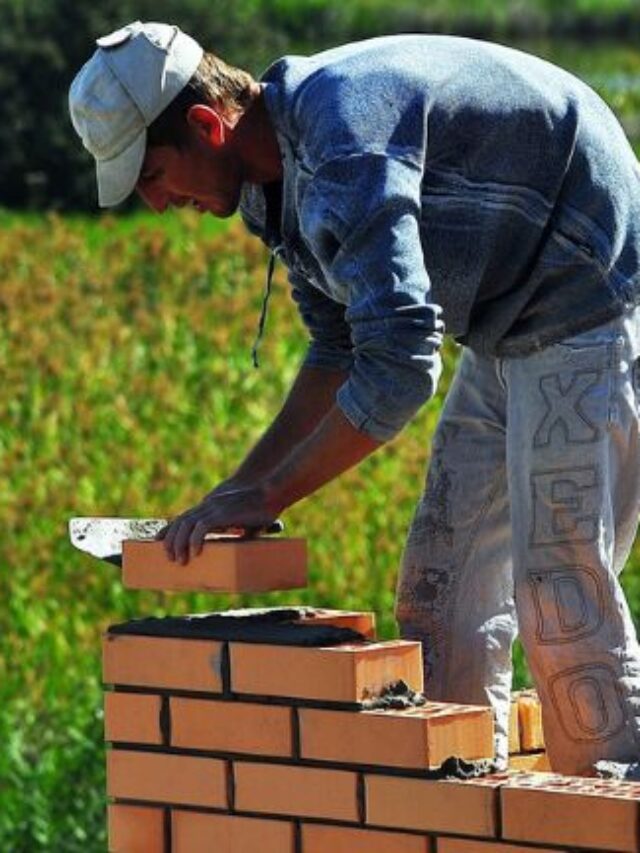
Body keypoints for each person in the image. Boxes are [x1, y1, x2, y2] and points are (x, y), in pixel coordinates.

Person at [69, 21, 640, 777]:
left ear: (207, 126)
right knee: (440, 595)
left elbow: (401, 366)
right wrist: (239, 490)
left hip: (588, 289)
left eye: (152, 176)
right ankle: (465, 813)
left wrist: (269, 490)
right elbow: (340, 351)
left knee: (557, 592)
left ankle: (598, 815)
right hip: (507, 319)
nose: (157, 203)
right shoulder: (268, 190)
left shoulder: (343, 140)